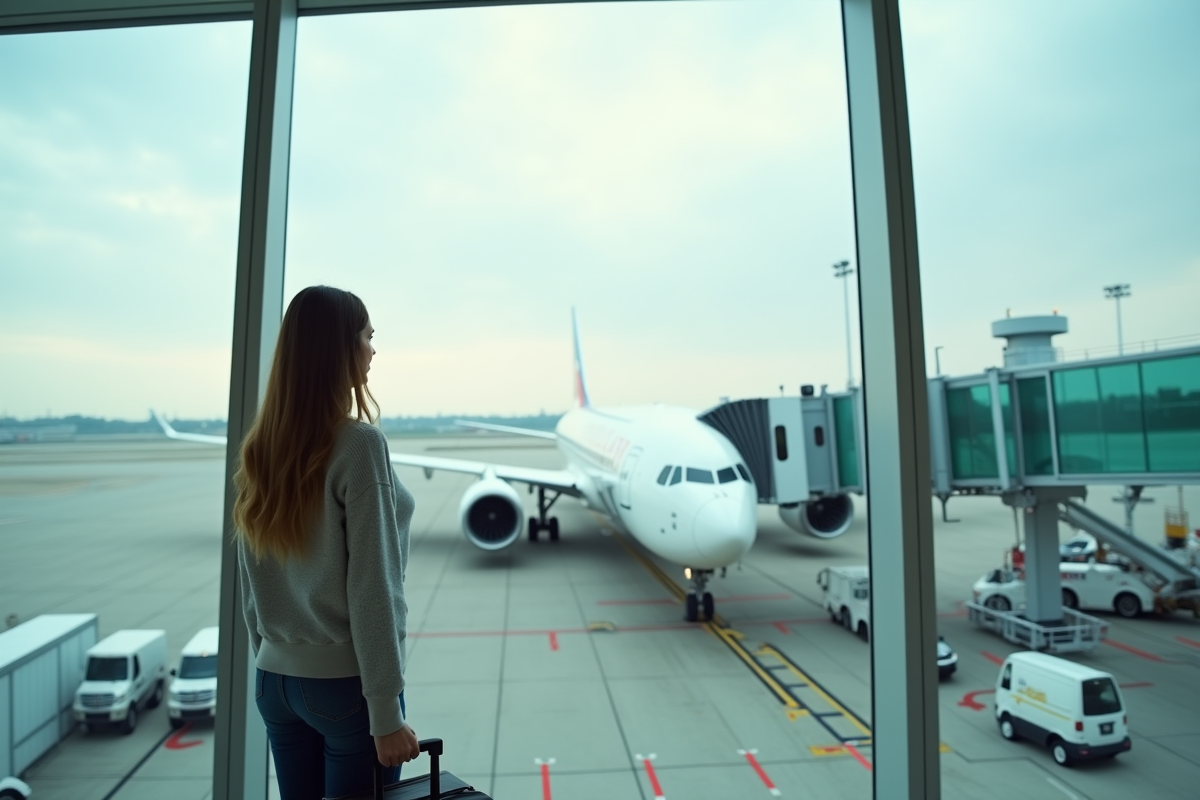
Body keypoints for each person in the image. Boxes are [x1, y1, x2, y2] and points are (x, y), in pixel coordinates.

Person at [232, 285, 419, 799]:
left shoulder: (262, 449)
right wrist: (384, 711)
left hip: (274, 681)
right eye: (367, 337)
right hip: (342, 688)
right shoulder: (359, 445)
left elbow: (253, 580)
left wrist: (275, 659)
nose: (373, 350)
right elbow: (373, 588)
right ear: (340, 349)